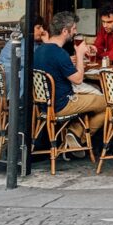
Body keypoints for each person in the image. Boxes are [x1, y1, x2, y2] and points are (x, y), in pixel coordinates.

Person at [33, 11, 106, 148]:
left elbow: (58, 68)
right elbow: (78, 79)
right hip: (63, 104)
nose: (75, 32)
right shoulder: (60, 53)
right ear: (65, 31)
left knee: (94, 91)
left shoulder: (40, 49)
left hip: (45, 105)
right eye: (73, 29)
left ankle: (74, 133)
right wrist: (79, 54)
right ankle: (78, 137)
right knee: (111, 102)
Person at [0, 14, 48, 86]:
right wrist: (47, 43)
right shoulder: (24, 45)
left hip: (6, 82)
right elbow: (41, 62)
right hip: (14, 87)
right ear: (29, 28)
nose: (42, 30)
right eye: (38, 27)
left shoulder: (19, 39)